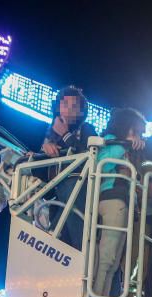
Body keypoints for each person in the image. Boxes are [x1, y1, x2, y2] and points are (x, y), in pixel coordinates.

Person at [91, 107, 146, 297]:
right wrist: (125, 144)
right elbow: (101, 162)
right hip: (111, 198)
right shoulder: (111, 140)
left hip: (124, 202)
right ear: (126, 125)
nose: (139, 135)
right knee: (107, 257)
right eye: (136, 130)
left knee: (114, 261)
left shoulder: (128, 149)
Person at [41, 86, 98, 250]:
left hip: (81, 191)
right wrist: (44, 149)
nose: (67, 110)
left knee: (75, 243)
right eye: (64, 104)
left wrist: (66, 135)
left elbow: (88, 155)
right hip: (58, 198)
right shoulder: (50, 135)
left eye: (74, 107)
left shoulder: (87, 129)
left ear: (81, 113)